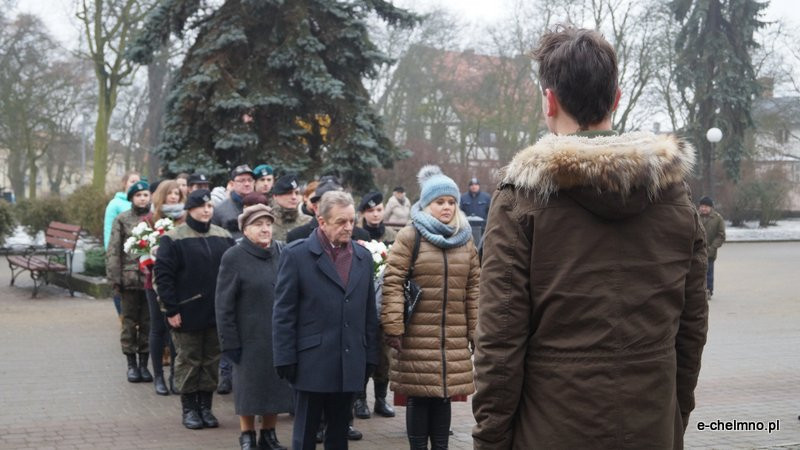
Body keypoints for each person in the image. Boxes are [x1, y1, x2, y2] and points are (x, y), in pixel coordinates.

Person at [471, 26, 709, 449]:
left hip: (551, 429)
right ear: (616, 99)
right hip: (651, 424)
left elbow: (499, 342)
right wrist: (674, 415)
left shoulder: (521, 199)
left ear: (549, 99)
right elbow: (691, 328)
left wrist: (491, 440)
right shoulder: (675, 196)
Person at [381, 165, 479, 450]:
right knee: (419, 395)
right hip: (416, 334)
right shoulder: (411, 236)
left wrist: (475, 331)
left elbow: (475, 287)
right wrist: (393, 327)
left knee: (444, 395)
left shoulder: (465, 238)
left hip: (452, 334)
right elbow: (393, 281)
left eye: (451, 202)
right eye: (440, 202)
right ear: (426, 204)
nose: (446, 207)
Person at [273, 190, 379, 450]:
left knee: (339, 434)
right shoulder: (297, 255)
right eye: (341, 222)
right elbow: (283, 312)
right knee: (306, 433)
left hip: (349, 359)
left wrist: (370, 356)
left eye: (352, 221)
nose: (349, 227)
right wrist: (285, 357)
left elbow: (368, 313)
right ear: (321, 221)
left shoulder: (363, 258)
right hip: (312, 361)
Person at [155, 189, 235, 430]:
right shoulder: (174, 238)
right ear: (190, 209)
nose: (206, 210)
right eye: (201, 206)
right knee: (189, 360)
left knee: (211, 361)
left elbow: (232, 272)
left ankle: (206, 408)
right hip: (187, 311)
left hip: (215, 311)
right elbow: (164, 276)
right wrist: (171, 309)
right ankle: (189, 408)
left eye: (210, 206)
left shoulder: (223, 236)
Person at [216, 204, 293, 450]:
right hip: (248, 337)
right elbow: (223, 304)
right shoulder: (234, 257)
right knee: (248, 389)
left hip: (278, 335)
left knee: (275, 386)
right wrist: (229, 341)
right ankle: (247, 435)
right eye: (258, 224)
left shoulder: (282, 252)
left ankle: (268, 434)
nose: (265, 229)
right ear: (245, 229)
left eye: (268, 224)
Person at [106, 180, 154, 384]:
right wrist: (115, 279)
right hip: (129, 279)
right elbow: (114, 250)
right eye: (138, 195)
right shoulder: (122, 219)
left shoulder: (155, 219)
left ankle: (144, 364)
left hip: (151, 279)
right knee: (129, 323)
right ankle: (131, 364)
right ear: (132, 198)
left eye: (145, 195)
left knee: (147, 323)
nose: (143, 198)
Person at [148, 180, 186, 395]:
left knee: (175, 329)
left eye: (177, 193)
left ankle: (174, 374)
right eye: (170, 193)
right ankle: (158, 378)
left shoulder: (185, 219)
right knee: (157, 328)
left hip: (178, 281)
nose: (173, 197)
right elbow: (138, 248)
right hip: (152, 282)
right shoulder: (151, 219)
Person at [104, 171, 141, 316]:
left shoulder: (142, 203)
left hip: (139, 255)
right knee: (120, 287)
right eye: (132, 181)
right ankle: (122, 315)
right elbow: (109, 230)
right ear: (124, 183)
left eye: (137, 182)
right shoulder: (115, 204)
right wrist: (111, 253)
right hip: (122, 255)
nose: (135, 184)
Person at [286, 180, 370, 244]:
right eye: (329, 202)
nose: (348, 227)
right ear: (315, 207)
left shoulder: (362, 236)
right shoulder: (297, 236)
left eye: (339, 201)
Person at [213, 164, 255, 241]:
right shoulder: (219, 210)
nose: (247, 184)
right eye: (242, 180)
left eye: (250, 180)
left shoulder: (261, 206)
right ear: (232, 184)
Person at [270, 173, 311, 242]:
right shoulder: (267, 221)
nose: (294, 197)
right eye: (288, 193)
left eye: (297, 193)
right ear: (275, 196)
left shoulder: (308, 222)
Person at [698, 196, 725, 298]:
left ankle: (708, 290)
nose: (703, 208)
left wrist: (713, 247)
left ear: (711, 208)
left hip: (710, 251)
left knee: (708, 272)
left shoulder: (717, 218)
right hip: (696, 250)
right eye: (702, 206)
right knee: (696, 272)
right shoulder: (694, 216)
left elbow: (721, 235)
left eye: (706, 206)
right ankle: (697, 291)